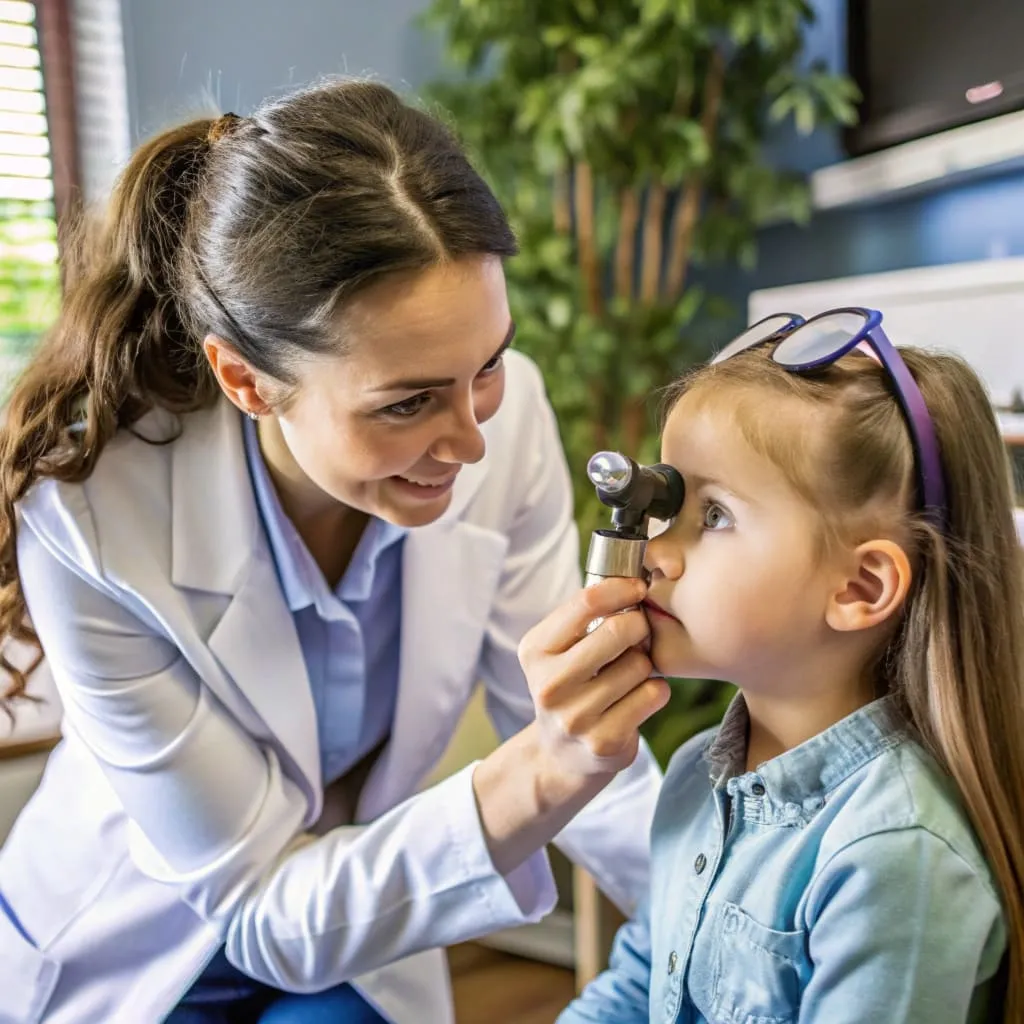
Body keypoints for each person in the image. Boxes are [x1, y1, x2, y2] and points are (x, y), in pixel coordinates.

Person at [0, 79, 670, 1024]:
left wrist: (727, 906)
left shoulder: (503, 417)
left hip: (356, 929)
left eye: (485, 367)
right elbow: (257, 907)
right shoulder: (94, 519)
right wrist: (545, 773)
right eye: (406, 403)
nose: (471, 440)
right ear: (245, 380)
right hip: (142, 936)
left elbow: (564, 721)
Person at [557, 310, 1024, 1023]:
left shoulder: (895, 855)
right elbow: (636, 987)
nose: (654, 550)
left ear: (859, 588)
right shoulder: (696, 777)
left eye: (713, 515)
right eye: (669, 502)